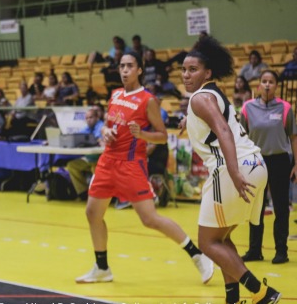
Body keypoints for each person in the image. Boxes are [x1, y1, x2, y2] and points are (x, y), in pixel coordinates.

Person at [76, 51, 214, 285]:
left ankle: (197, 255)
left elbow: (161, 136)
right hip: (108, 161)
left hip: (131, 164)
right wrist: (105, 132)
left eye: (130, 66)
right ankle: (102, 268)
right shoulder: (115, 94)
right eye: (122, 66)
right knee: (92, 213)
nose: (125, 70)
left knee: (149, 219)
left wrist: (143, 134)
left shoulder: (147, 100)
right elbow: (109, 125)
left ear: (139, 70)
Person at [181, 36, 281, 304]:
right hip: (256, 164)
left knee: (207, 243)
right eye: (184, 69)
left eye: (193, 70)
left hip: (232, 168)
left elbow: (223, 130)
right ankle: (232, 299)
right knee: (221, 238)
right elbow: (218, 123)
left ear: (208, 72)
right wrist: (187, 122)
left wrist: (234, 172)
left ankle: (261, 293)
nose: (186, 75)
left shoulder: (200, 98)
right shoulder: (214, 94)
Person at [239, 70, 297, 265]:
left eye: (271, 82)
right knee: (256, 207)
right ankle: (255, 250)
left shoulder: (285, 108)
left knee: (281, 207)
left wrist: (296, 163)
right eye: (264, 81)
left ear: (276, 86)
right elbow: (241, 137)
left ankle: (282, 251)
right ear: (258, 85)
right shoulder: (247, 108)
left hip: (280, 161)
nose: (267, 85)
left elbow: (293, 137)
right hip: (255, 161)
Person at [65, 106, 104, 200]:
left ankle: (100, 196)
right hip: (89, 159)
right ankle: (83, 193)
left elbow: (98, 140)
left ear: (97, 118)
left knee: (96, 169)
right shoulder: (86, 128)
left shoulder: (101, 126)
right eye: (87, 118)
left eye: (91, 118)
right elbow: (78, 138)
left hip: (100, 160)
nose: (89, 120)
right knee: (71, 165)